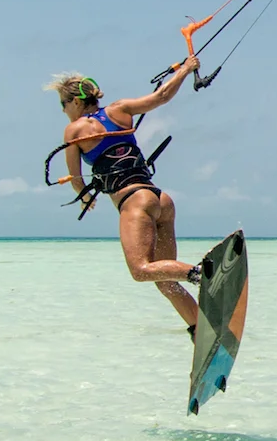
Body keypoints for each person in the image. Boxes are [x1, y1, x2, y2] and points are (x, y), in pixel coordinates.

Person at [48, 58, 201, 328]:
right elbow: (162, 96)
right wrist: (187, 69)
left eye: (62, 105)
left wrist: (85, 196)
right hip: (160, 198)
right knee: (165, 280)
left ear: (74, 102)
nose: (63, 111)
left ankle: (203, 272)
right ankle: (200, 328)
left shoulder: (74, 130)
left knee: (141, 270)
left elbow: (76, 179)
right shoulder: (120, 110)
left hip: (134, 202)